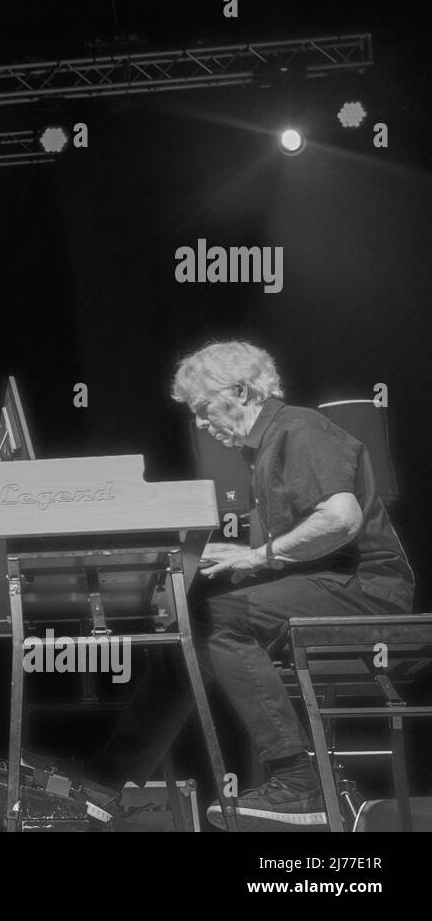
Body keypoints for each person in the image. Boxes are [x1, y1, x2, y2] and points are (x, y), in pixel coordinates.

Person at [92, 340, 413, 828]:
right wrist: (236, 558)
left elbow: (340, 518)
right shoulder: (265, 448)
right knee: (188, 628)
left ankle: (300, 781)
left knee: (214, 616)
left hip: (366, 593)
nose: (200, 423)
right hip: (328, 587)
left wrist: (259, 556)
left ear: (240, 391)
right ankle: (106, 783)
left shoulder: (299, 429)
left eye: (203, 409)